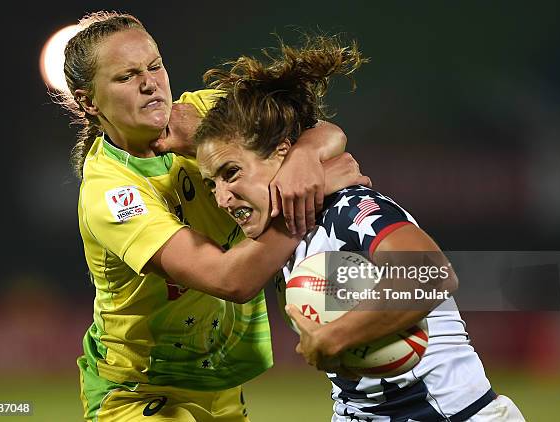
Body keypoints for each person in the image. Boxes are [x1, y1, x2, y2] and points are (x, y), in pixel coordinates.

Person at [58, 11, 371, 422]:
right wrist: (313, 193)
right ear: (88, 101)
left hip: (218, 382)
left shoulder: (205, 111)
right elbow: (231, 279)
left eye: (155, 66)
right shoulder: (111, 191)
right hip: (138, 388)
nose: (150, 83)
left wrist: (305, 157)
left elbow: (327, 132)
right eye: (126, 76)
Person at [194, 35, 527, 421]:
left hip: (449, 413)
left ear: (281, 154)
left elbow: (428, 274)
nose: (221, 198)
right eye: (211, 184)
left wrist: (337, 336)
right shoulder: (290, 233)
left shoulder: (348, 209)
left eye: (231, 174)